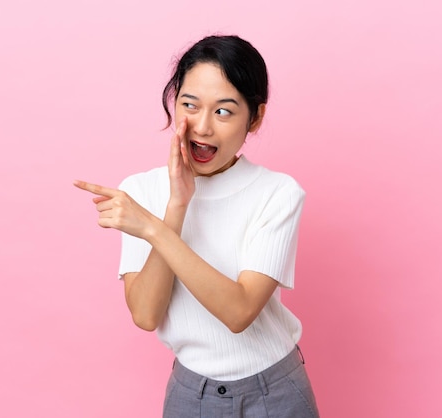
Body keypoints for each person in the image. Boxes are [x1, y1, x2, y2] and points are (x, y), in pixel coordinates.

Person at [74, 35, 320, 418]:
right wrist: (176, 206)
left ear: (255, 118)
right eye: (190, 105)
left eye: (224, 111)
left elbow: (239, 313)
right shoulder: (141, 191)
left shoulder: (278, 193)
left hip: (275, 391)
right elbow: (145, 315)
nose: (202, 127)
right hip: (192, 394)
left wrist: (154, 229)